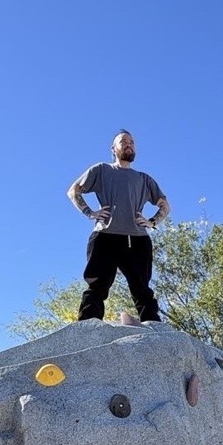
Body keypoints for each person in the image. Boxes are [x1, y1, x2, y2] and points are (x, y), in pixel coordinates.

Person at [67, 132, 170, 322]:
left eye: (132, 142)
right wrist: (90, 212)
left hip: (137, 239)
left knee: (142, 289)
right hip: (105, 235)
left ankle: (154, 327)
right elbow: (73, 191)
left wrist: (152, 222)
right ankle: (88, 326)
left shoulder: (144, 179)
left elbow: (164, 204)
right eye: (123, 142)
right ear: (113, 149)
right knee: (97, 285)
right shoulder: (101, 170)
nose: (129, 145)